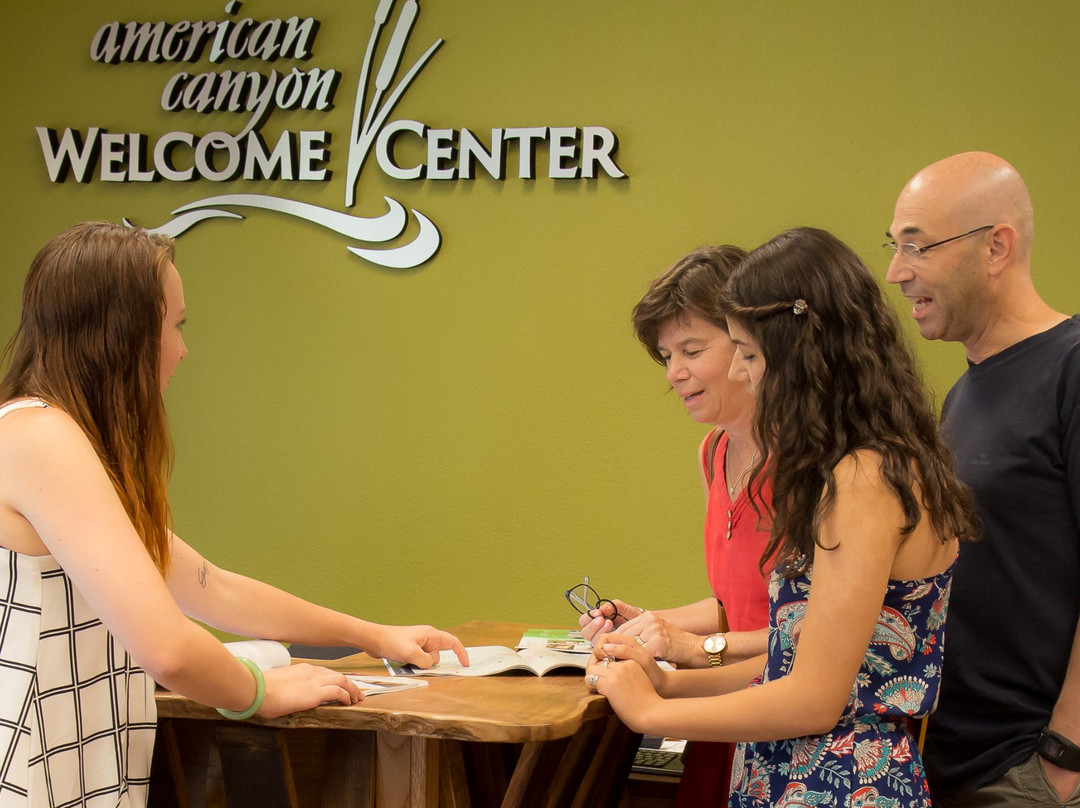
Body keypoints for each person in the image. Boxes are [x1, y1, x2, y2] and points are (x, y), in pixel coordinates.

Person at [0, 221, 468, 807]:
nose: (182, 347)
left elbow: (211, 587)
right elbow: (167, 649)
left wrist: (372, 635)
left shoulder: (55, 438)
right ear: (125, 333)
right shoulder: (41, 437)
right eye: (176, 324)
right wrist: (257, 691)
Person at [585, 227, 976, 808]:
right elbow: (790, 656)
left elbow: (814, 698)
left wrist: (654, 708)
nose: (740, 373)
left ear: (800, 352)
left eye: (746, 353)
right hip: (791, 772)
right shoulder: (852, 468)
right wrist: (669, 680)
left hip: (837, 783)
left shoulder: (863, 478)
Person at [885, 151, 1080, 806]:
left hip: (1032, 769)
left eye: (917, 248)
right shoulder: (963, 395)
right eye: (894, 248)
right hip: (956, 759)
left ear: (996, 246)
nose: (896, 272)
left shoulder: (1071, 369)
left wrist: (1063, 756)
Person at [576, 246, 773, 804]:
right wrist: (648, 623)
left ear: (748, 341)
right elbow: (736, 603)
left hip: (777, 717)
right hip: (721, 718)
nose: (675, 373)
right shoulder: (713, 453)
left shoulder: (815, 469)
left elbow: (810, 635)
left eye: (691, 349)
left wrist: (694, 649)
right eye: (666, 355)